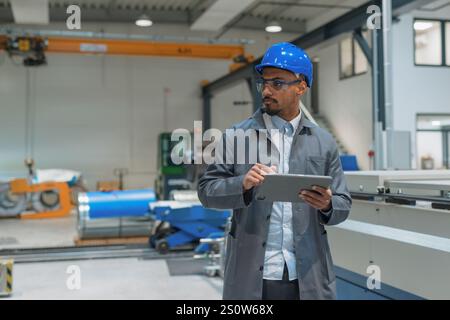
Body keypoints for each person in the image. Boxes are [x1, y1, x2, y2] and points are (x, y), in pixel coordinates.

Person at [197, 42, 352, 300]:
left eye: (277, 83)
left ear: (301, 87)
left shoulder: (323, 142)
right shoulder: (237, 136)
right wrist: (241, 185)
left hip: (307, 275)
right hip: (252, 275)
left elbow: (343, 204)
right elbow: (206, 192)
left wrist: (327, 204)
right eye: (264, 83)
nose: (266, 90)